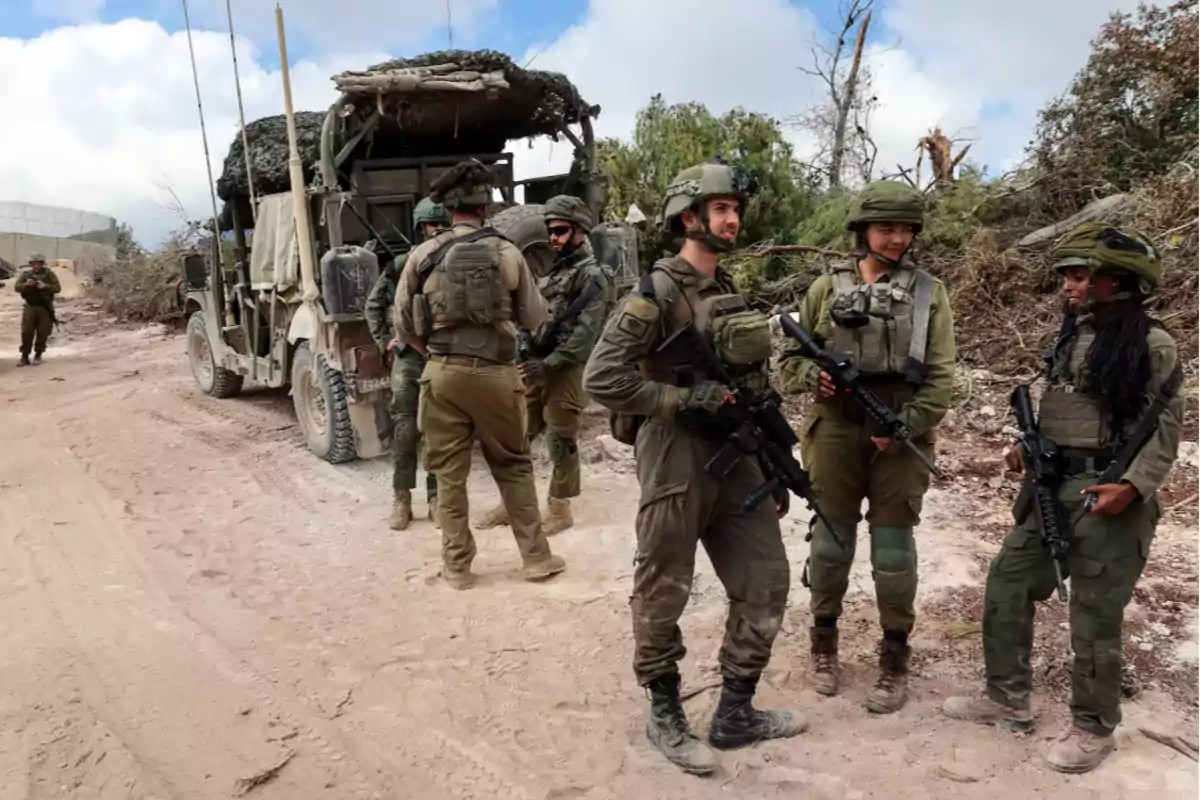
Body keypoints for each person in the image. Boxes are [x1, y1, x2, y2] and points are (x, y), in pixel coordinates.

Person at [583, 161, 806, 776]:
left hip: (736, 459)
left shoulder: (726, 290)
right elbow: (601, 377)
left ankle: (735, 712)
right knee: (664, 587)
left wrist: (770, 465)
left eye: (736, 209)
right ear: (690, 218)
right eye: (720, 209)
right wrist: (680, 400)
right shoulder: (653, 294)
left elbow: (748, 385)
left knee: (766, 580)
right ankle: (664, 712)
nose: (732, 219)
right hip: (677, 456)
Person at [942, 222, 1183, 774]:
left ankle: (1094, 726)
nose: (1067, 287)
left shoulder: (1152, 344)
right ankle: (1007, 696)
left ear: (1117, 281)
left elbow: (1166, 427)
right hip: (1051, 486)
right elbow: (1066, 408)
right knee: (1008, 581)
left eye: (1079, 276)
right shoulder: (1071, 336)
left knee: (1094, 614)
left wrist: (1133, 486)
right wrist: (1028, 449)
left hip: (1111, 492)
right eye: (1067, 277)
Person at [777, 180, 955, 714]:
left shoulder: (930, 293)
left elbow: (943, 377)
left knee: (894, 551)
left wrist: (906, 422)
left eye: (905, 229)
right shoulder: (825, 289)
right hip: (833, 429)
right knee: (831, 542)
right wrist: (814, 377)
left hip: (899, 432)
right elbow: (788, 361)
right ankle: (824, 642)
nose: (898, 238)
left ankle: (894, 655)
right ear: (862, 231)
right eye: (887, 228)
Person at [393, 159, 566, 590]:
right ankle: (536, 560)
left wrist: (435, 353)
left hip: (442, 374)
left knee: (449, 473)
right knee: (513, 466)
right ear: (486, 207)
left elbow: (403, 327)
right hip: (497, 375)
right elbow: (533, 317)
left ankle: (457, 567)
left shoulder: (423, 255)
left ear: (448, 209)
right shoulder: (507, 251)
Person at [477, 195, 612, 535]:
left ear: (580, 231)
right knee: (520, 434)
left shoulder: (594, 276)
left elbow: (584, 335)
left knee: (560, 438)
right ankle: (512, 502)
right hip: (539, 363)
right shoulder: (557, 269)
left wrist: (549, 364)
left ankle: (560, 508)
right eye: (550, 231)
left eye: (561, 231)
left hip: (564, 368)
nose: (553, 238)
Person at [365, 198, 450, 530]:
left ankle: (435, 499)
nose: (439, 231)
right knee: (405, 428)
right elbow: (374, 305)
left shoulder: (453, 264)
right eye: (433, 225)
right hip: (409, 356)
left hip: (441, 355)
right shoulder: (402, 266)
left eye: (444, 225)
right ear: (421, 228)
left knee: (438, 430)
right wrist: (384, 338)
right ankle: (402, 498)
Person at [15, 253, 61, 366]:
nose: (36, 266)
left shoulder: (49, 274)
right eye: (34, 264)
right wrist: (26, 285)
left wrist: (46, 287)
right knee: (26, 332)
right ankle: (24, 356)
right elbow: (17, 287)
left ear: (42, 264)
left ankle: (38, 354)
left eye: (38, 264)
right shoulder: (26, 274)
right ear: (31, 264)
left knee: (42, 332)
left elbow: (57, 288)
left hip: (44, 307)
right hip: (30, 306)